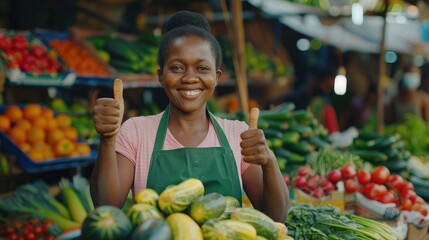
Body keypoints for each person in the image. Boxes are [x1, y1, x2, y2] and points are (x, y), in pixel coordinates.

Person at [90, 10, 289, 222]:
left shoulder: (238, 134)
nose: (190, 78)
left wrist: (269, 161)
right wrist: (108, 140)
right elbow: (107, 210)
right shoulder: (136, 132)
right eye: (177, 68)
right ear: (161, 76)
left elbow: (275, 216)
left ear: (217, 77)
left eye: (202, 68)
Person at [268, 66, 340, 134]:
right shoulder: (298, 96)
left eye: (329, 87)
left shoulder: (324, 103)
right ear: (316, 80)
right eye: (326, 85)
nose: (326, 89)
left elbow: (333, 130)